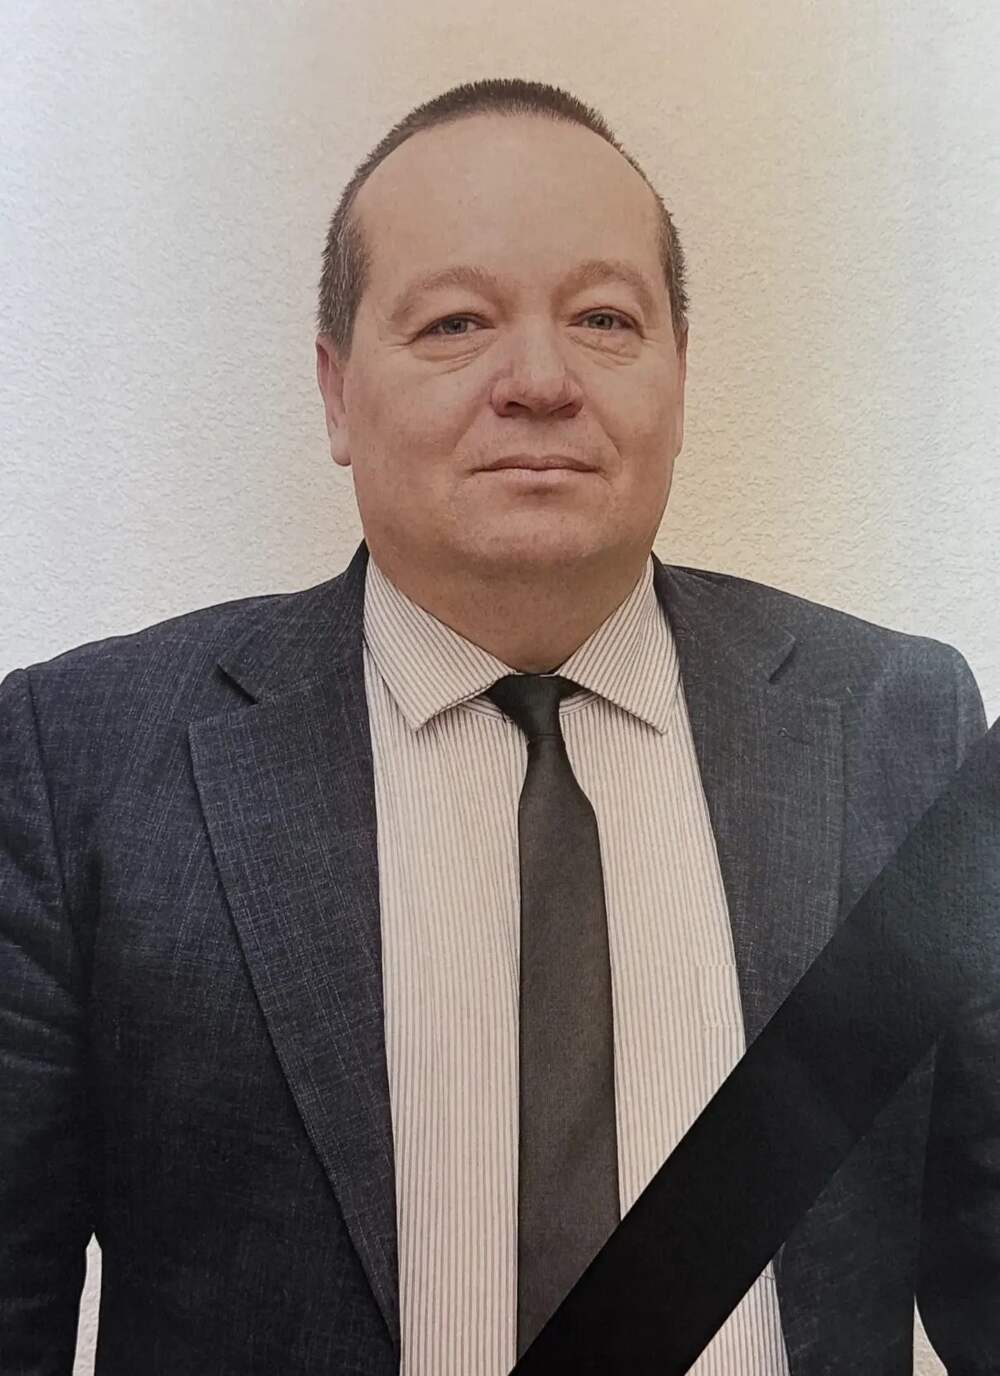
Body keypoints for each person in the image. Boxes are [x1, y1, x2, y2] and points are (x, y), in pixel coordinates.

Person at [1, 76, 995, 1376]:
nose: (539, 381)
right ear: (335, 392)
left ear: (679, 378)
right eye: (457, 322)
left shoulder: (896, 727)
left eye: (604, 319)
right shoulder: (80, 760)